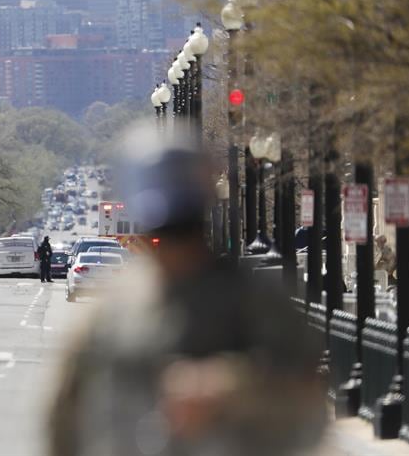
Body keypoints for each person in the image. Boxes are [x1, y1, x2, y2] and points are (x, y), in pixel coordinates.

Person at [48, 141, 325, 456]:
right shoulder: (113, 314)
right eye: (164, 231)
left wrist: (232, 387)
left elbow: (308, 403)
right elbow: (65, 416)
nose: (173, 250)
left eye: (183, 229)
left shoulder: (257, 303)